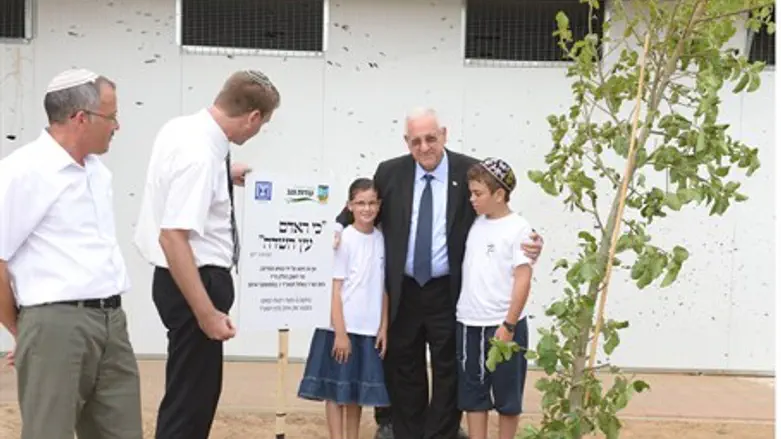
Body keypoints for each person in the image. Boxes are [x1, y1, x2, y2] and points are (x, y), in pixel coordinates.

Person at [335, 108, 544, 439]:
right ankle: (407, 430)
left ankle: (443, 432)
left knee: (449, 366)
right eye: (415, 141)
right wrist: (337, 227)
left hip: (449, 289)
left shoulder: (467, 170)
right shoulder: (390, 172)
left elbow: (499, 214)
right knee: (404, 363)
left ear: (444, 135)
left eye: (431, 138)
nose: (424, 147)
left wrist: (531, 241)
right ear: (407, 142)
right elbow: (363, 206)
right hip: (403, 287)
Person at [133, 70, 280, 439]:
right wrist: (207, 314)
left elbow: (177, 177)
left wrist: (223, 174)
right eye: (263, 124)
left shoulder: (183, 130)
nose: (257, 132)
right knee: (192, 402)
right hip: (194, 280)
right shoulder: (201, 156)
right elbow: (173, 238)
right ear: (253, 117)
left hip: (178, 279)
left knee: (188, 391)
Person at [0, 68, 142, 439]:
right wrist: (24, 329)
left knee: (123, 431)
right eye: (111, 117)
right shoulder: (23, 171)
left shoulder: (98, 173)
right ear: (81, 118)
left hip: (112, 321)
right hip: (54, 324)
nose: (117, 126)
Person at [298, 177, 391, 439]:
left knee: (356, 394)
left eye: (372, 203)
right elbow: (334, 289)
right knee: (336, 393)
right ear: (349, 205)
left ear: (379, 204)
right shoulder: (343, 240)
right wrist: (340, 333)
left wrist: (383, 326)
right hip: (340, 328)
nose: (367, 209)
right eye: (360, 203)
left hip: (369, 329)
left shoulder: (383, 239)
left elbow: (384, 287)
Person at [456, 158, 533, 439]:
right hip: (468, 321)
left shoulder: (519, 228)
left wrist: (509, 324)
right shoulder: (475, 223)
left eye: (478, 194)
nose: (472, 199)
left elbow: (523, 277)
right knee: (473, 394)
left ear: (499, 195)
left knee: (507, 397)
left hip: (502, 324)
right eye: (471, 192)